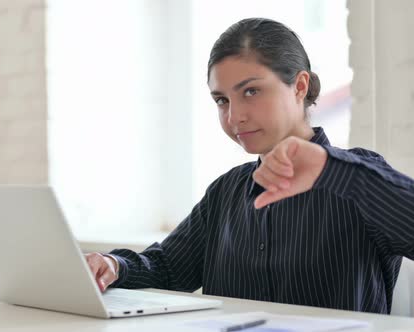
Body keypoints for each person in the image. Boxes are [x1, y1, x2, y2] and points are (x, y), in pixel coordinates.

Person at [85, 17, 414, 314]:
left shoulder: (359, 174)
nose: (234, 116)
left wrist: (332, 169)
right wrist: (114, 265)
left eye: (252, 91)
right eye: (222, 100)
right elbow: (170, 267)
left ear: (299, 86)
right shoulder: (227, 190)